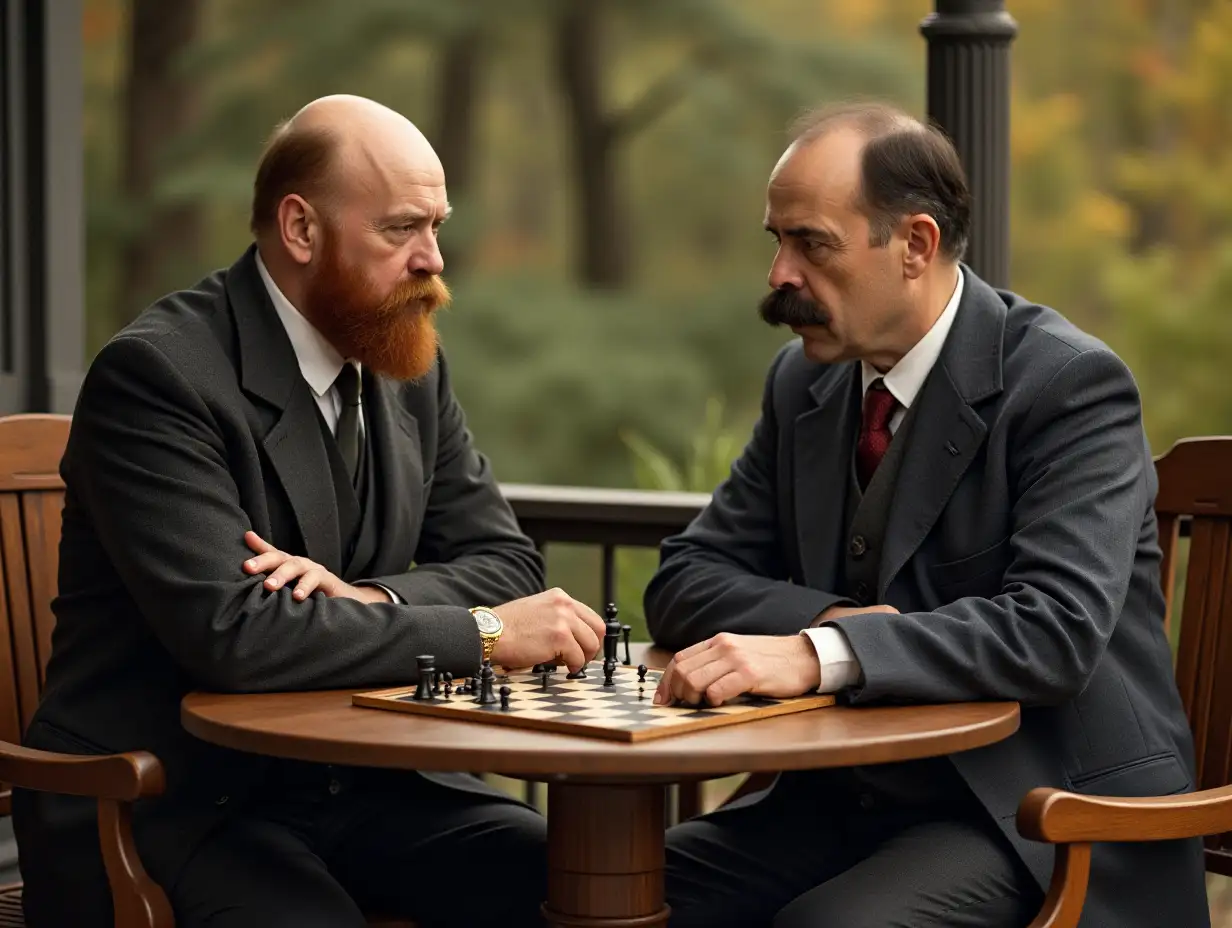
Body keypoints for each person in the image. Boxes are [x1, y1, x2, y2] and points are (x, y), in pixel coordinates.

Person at [13, 94, 605, 928]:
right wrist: (485, 633)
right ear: (299, 229)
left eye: (437, 226)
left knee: (573, 887)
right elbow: (238, 636)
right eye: (402, 229)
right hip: (172, 800)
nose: (433, 259)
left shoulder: (406, 360)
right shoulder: (158, 377)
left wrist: (374, 600)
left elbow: (506, 562)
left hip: (368, 783)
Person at [648, 101, 1208, 928]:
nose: (779, 276)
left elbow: (1054, 631)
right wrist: (839, 623)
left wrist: (821, 654)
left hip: (1042, 815)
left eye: (811, 244)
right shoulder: (803, 384)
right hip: (840, 803)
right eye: (777, 240)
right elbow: (685, 579)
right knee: (609, 888)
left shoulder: (1069, 386)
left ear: (914, 245)